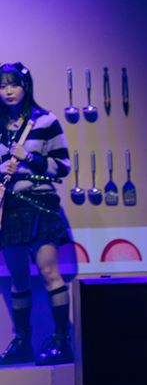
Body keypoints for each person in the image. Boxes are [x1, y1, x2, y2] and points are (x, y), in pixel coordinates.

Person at [0, 63, 73, 366]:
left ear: (26, 86)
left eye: (14, 84)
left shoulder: (45, 121)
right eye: (2, 86)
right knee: (18, 278)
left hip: (40, 203)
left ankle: (62, 340)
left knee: (49, 272)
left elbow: (63, 166)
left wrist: (29, 157)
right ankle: (22, 342)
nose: (8, 91)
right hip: (9, 207)